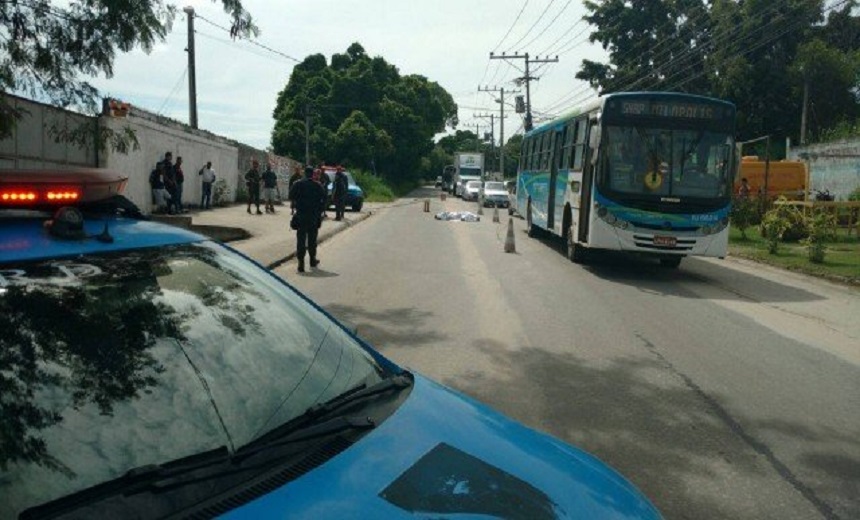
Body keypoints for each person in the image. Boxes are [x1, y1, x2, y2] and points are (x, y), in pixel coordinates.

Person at [289, 166, 327, 273]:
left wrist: (298, 202)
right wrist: (320, 210)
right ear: (312, 174)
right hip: (313, 216)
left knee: (301, 239)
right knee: (312, 239)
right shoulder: (317, 185)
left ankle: (301, 264)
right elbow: (324, 199)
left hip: (301, 215)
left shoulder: (297, 184)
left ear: (305, 173)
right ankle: (312, 260)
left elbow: (290, 196)